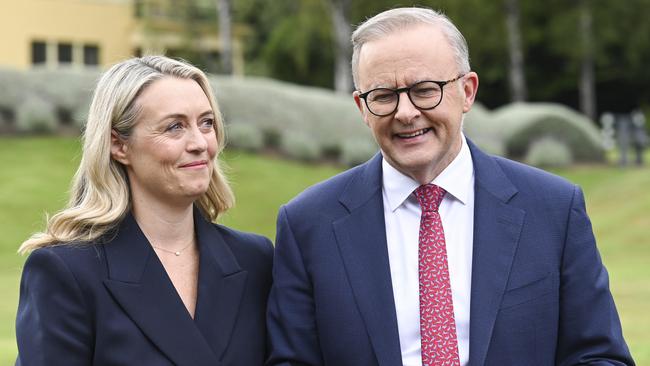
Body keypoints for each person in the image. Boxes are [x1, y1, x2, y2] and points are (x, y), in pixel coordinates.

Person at [266, 7, 634, 366]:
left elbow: (599, 356)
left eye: (425, 90)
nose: (405, 112)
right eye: (383, 96)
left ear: (467, 91)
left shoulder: (553, 210)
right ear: (362, 107)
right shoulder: (307, 226)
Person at [15, 56, 273, 366]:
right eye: (174, 127)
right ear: (118, 145)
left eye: (206, 123)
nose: (200, 143)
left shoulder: (255, 260)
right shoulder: (65, 272)